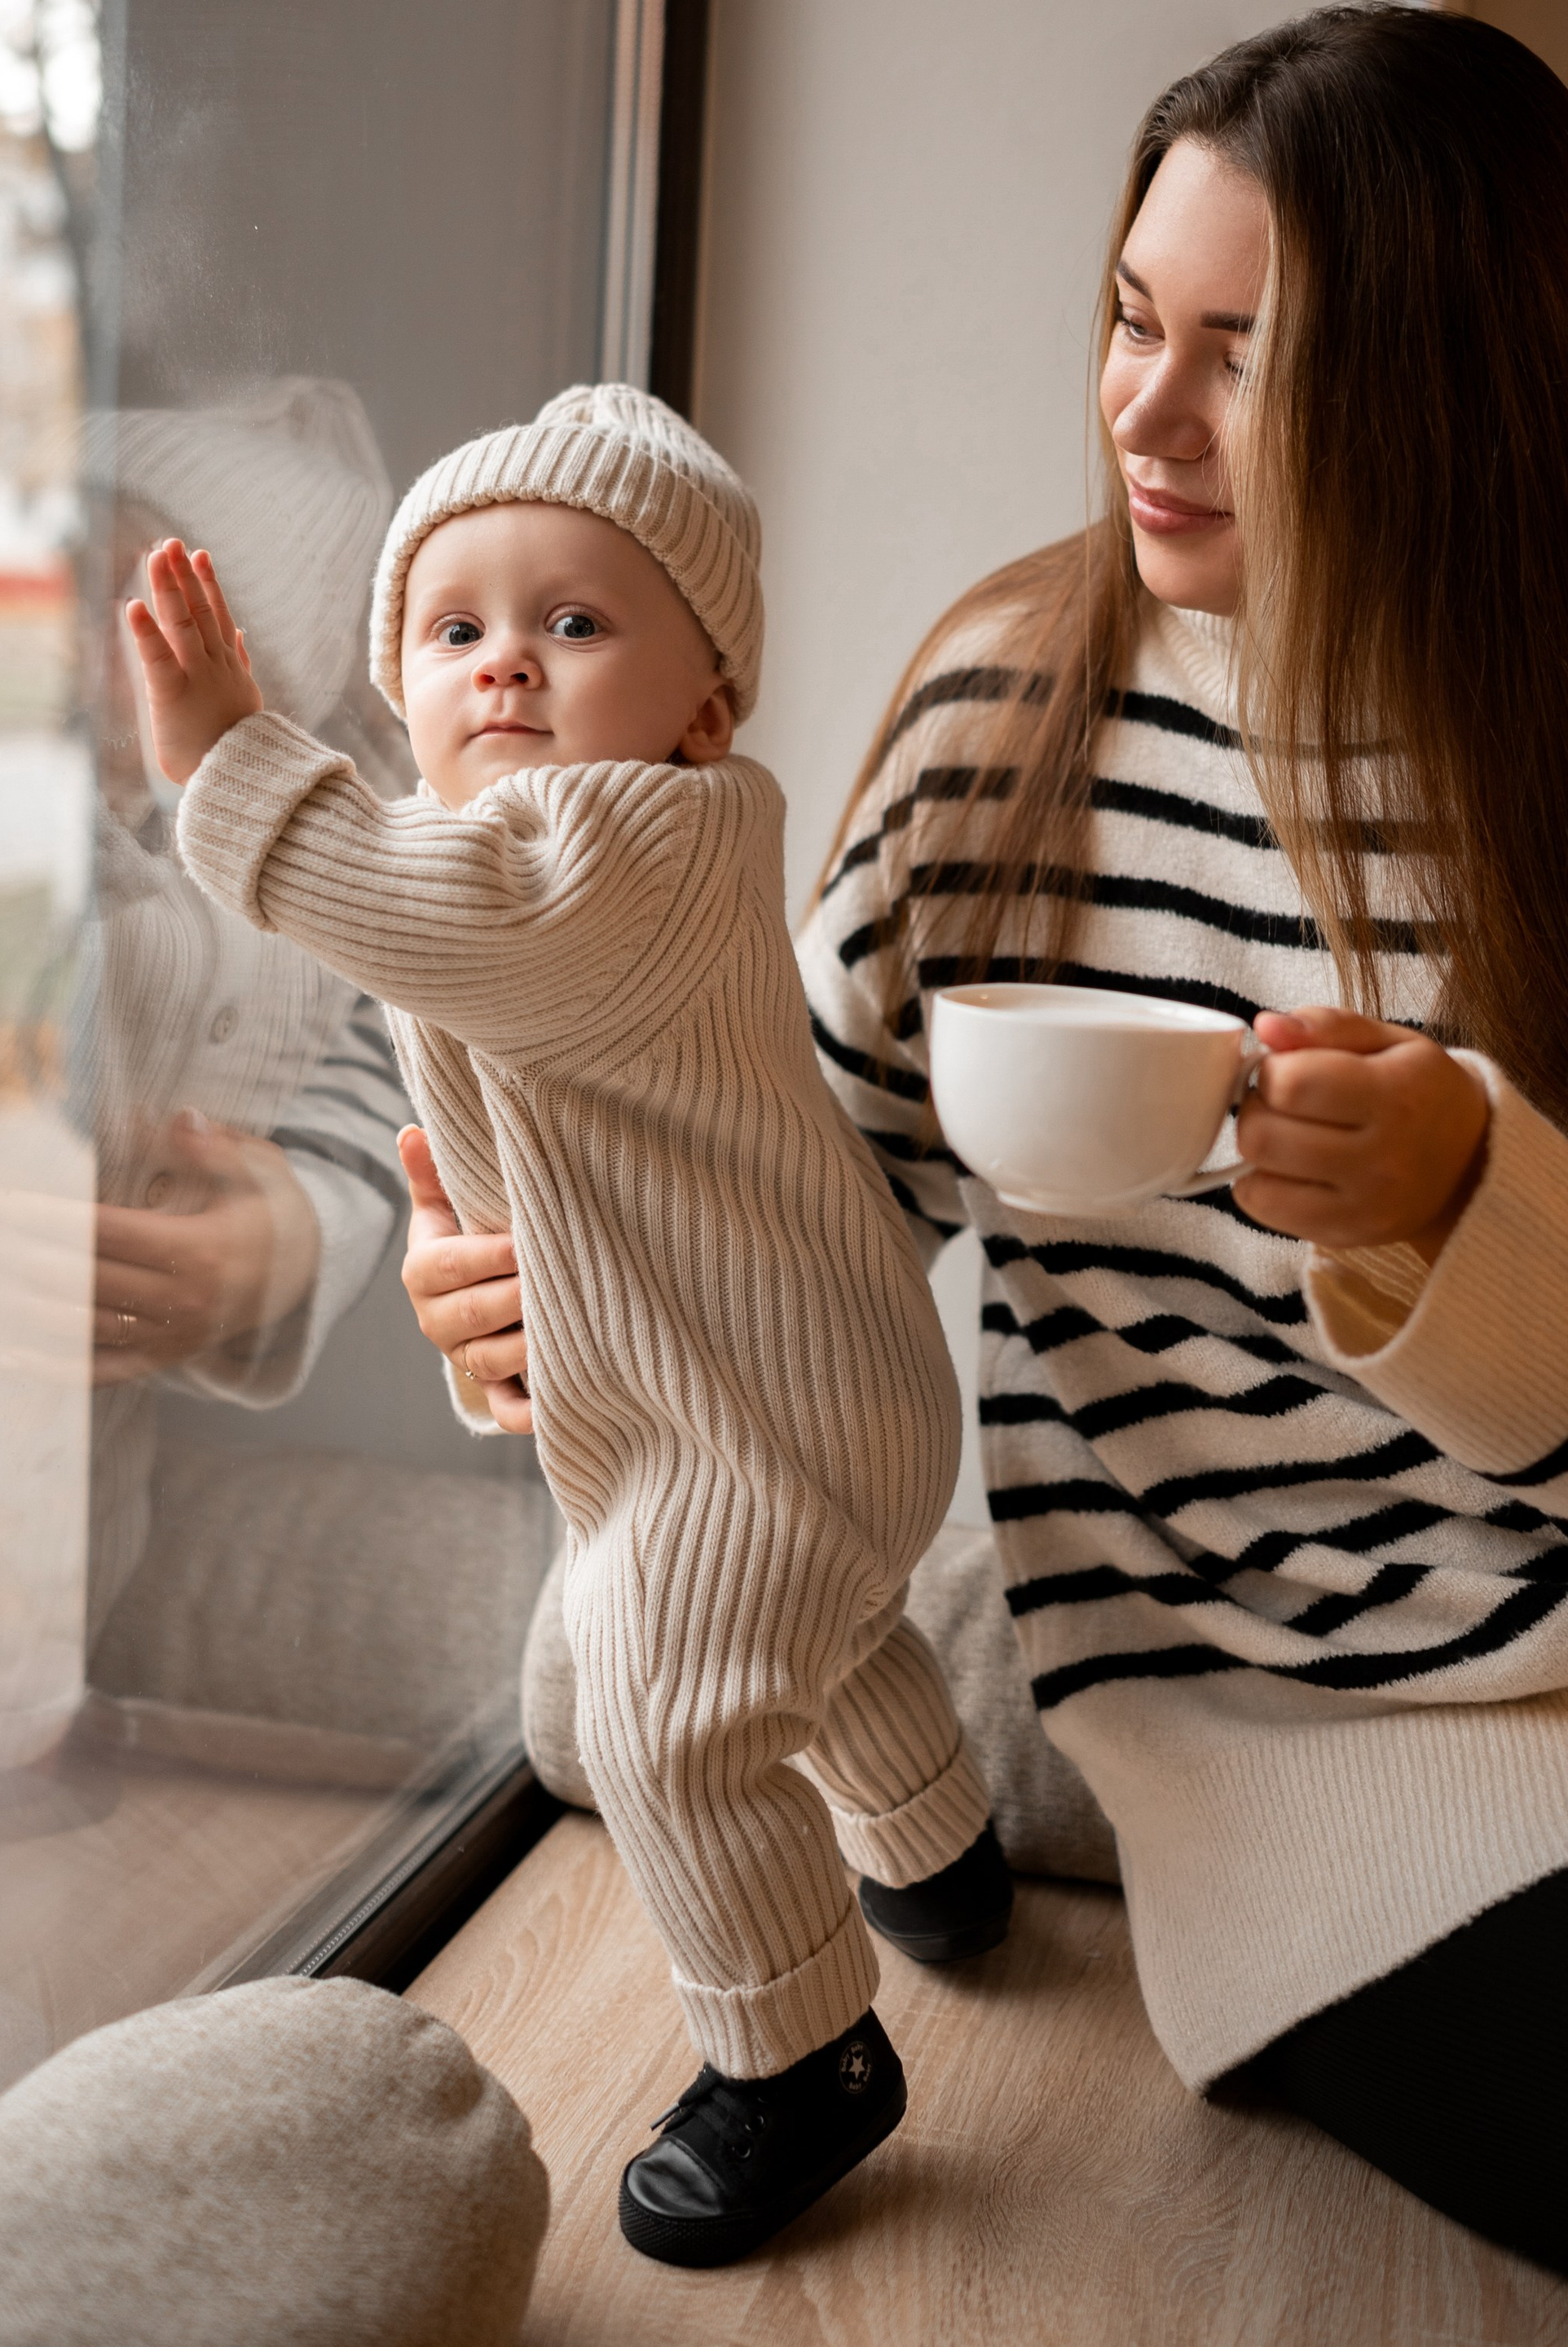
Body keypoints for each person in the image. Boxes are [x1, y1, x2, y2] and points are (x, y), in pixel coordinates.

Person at [795, 3, 1568, 2276]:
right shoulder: (1005, 721)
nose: (1139, 409)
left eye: (1244, 353)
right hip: (1298, 1746)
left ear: (1455, 382)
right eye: (1133, 321)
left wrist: (1464, 1207)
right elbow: (792, 1219)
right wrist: (531, 1305)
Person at [122, 384, 1011, 2268]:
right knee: (827, 1634)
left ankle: (799, 2059)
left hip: (758, 1411)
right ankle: (938, 1847)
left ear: (702, 711)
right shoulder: (515, 895)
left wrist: (229, 765)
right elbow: (517, 1195)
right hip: (790, 1391)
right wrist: (475, 1311)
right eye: (454, 633)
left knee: (665, 1711)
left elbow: (424, 901)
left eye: (573, 624)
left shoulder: (634, 854)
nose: (504, 667)